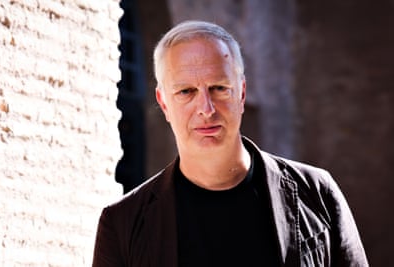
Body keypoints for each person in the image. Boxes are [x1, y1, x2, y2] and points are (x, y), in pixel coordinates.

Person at [92, 20, 368, 267]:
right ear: (164, 102)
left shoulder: (317, 193)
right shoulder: (122, 222)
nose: (206, 108)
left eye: (219, 88)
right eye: (186, 91)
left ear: (242, 93)